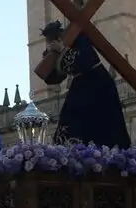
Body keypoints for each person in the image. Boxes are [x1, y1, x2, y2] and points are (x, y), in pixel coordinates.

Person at [38, 20, 130, 149]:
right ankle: (72, 151)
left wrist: (62, 50)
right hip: (80, 85)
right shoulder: (58, 47)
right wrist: (51, 58)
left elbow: (84, 62)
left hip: (97, 84)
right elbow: (54, 77)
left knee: (102, 121)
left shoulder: (79, 39)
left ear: (58, 34)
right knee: (69, 118)